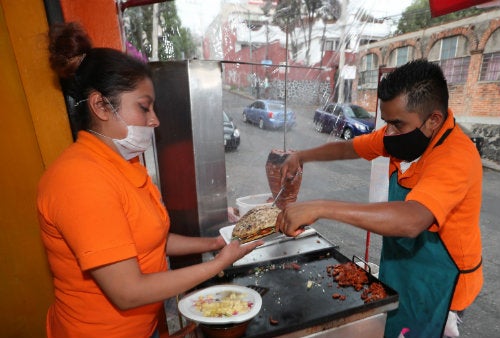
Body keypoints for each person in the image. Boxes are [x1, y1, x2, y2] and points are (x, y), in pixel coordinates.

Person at [37, 22, 262, 338]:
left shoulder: (123, 165)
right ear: (101, 106)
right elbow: (127, 291)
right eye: (144, 108)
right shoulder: (79, 180)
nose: (155, 120)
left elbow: (151, 240)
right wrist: (218, 263)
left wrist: (215, 243)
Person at [276, 59, 483, 338]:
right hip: (401, 271)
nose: (389, 134)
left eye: (397, 124)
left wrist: (322, 207)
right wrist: (301, 156)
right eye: (386, 123)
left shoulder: (456, 156)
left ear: (433, 119)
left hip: (441, 287)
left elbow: (412, 220)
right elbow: (348, 149)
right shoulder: (402, 137)